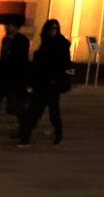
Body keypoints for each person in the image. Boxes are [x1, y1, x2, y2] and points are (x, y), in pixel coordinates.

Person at [17, 18, 71, 147]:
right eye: (51, 28)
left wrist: (56, 79)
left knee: (52, 112)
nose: (53, 31)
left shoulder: (61, 45)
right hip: (42, 83)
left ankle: (57, 135)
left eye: (55, 28)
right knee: (35, 111)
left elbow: (64, 64)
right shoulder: (45, 44)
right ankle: (26, 138)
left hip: (52, 85)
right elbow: (39, 65)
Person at [0, 21, 29, 140]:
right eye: (6, 26)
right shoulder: (5, 40)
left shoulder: (22, 40)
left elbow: (21, 60)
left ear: (16, 27)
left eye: (9, 25)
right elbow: (3, 58)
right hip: (3, 79)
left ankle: (24, 130)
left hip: (14, 79)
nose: (7, 28)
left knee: (17, 106)